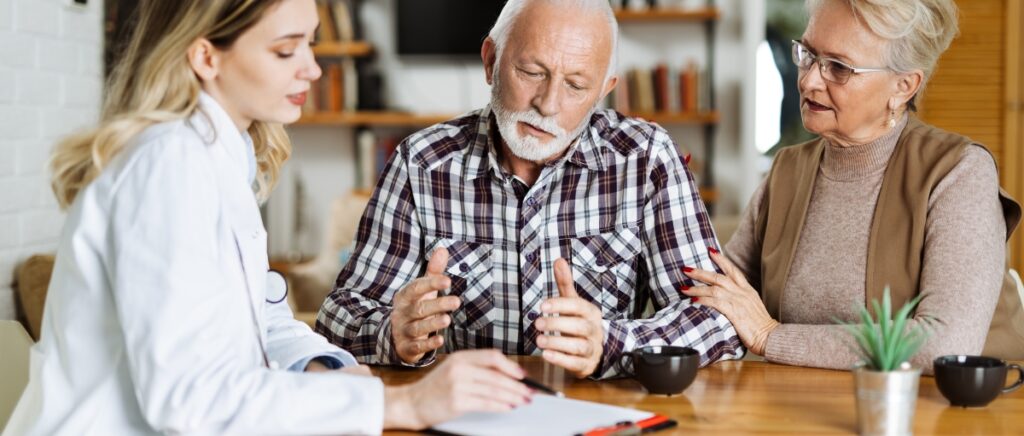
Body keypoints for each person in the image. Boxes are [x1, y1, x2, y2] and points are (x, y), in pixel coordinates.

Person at [3, 1, 533, 434]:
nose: (312, 68)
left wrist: (319, 367)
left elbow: (260, 311)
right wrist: (401, 406)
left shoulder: (219, 153)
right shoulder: (167, 167)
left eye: (310, 42)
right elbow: (191, 401)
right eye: (285, 50)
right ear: (206, 56)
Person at [316, 0, 743, 380]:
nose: (548, 103)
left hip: (598, 416)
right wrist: (392, 332)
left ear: (603, 90)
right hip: (464, 415)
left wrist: (611, 343)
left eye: (576, 85)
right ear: (490, 61)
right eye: (531, 72)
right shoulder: (422, 162)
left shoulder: (646, 158)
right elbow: (337, 318)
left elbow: (718, 319)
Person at [681, 0, 1024, 372]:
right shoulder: (787, 170)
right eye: (808, 54)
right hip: (803, 406)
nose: (809, 80)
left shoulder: (959, 171)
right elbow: (719, 292)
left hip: (952, 413)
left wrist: (770, 336)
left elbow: (944, 342)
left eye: (839, 68)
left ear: (903, 86)